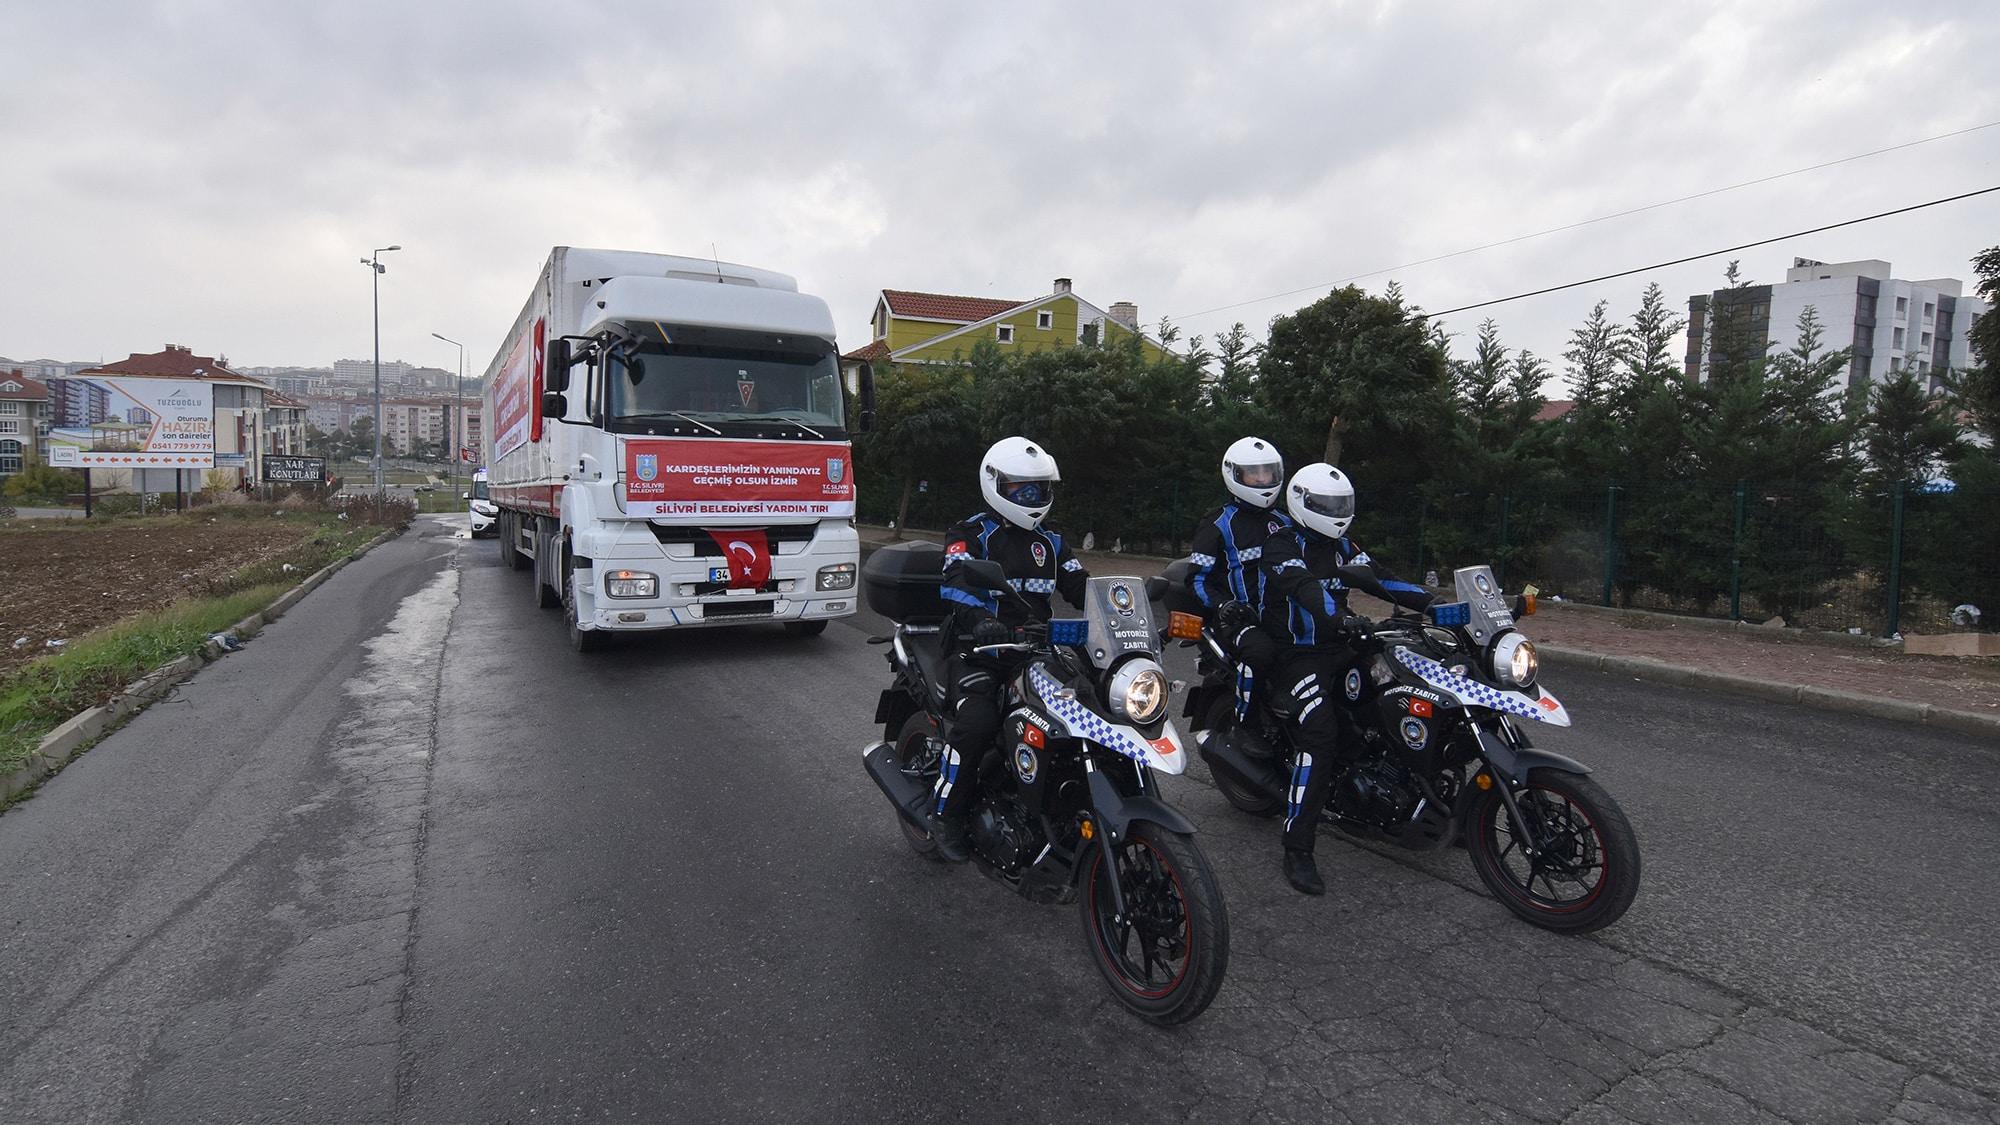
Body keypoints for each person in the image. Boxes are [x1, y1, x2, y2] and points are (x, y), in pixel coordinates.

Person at [1258, 463, 1434, 895]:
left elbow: (1383, 579)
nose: (1336, 512)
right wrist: (1340, 617)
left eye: (1342, 505)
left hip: (1342, 644)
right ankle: (1297, 846)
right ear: (1302, 502)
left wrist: (1438, 604)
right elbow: (1305, 588)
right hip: (1297, 655)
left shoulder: (1343, 546)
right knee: (1319, 737)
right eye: (1327, 505)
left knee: (1408, 688)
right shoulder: (1280, 545)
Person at [929, 436, 1089, 861]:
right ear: (995, 484)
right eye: (1022, 489)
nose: (1033, 497)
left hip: (1035, 651)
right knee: (978, 723)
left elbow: (1082, 586)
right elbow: (956, 582)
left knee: (1091, 707)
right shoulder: (970, 533)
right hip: (978, 650)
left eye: (1039, 488)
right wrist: (982, 621)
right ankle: (944, 814)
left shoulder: (1051, 542)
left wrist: (1127, 611)